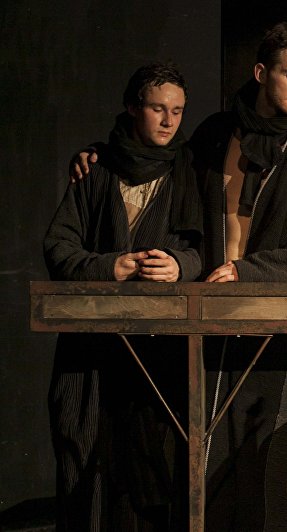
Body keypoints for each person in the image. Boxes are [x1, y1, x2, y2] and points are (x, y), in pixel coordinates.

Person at [69, 23, 287, 528]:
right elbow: (156, 162)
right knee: (198, 461)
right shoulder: (215, 134)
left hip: (270, 323)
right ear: (261, 73)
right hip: (204, 321)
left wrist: (250, 272)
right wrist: (98, 156)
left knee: (263, 460)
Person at [43, 62, 202, 530]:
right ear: (133, 108)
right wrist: (106, 267)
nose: (169, 121)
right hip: (91, 348)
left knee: (149, 470)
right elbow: (59, 247)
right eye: (157, 109)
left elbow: (203, 250)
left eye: (177, 111)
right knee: (85, 456)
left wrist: (180, 266)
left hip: (156, 349)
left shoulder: (188, 169)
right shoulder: (97, 170)